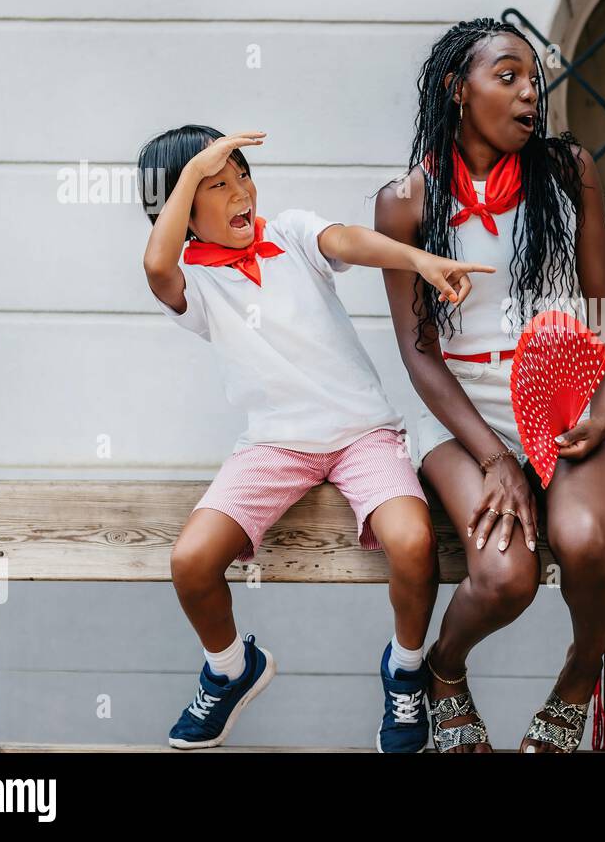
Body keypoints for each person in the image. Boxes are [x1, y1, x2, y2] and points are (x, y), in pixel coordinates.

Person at [140, 124, 492, 752]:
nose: (240, 190)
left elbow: (349, 240)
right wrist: (193, 171)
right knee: (191, 562)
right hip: (273, 445)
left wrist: (418, 258)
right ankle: (229, 671)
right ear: (182, 205)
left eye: (241, 175)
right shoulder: (192, 281)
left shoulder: (291, 233)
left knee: (413, 544)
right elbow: (155, 262)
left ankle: (405, 671)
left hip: (363, 436)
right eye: (215, 185)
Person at [375, 18, 605, 752]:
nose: (529, 94)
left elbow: (602, 297)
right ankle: (445, 673)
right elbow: (418, 351)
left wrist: (604, 403)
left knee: (583, 539)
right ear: (458, 89)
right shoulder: (405, 202)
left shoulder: (568, 169)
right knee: (505, 575)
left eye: (534, 81)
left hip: (562, 389)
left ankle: (581, 673)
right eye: (508, 75)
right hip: (463, 411)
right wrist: (494, 457)